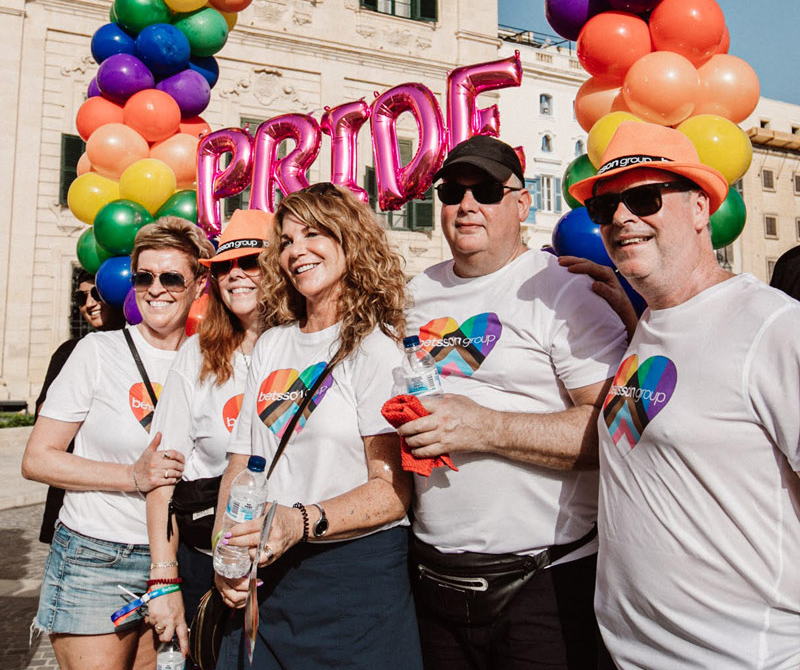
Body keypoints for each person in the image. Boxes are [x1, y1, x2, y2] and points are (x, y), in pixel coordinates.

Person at [568, 121, 800, 670]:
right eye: (605, 209)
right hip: (628, 655)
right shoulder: (650, 325)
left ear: (701, 208)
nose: (622, 218)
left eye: (645, 198)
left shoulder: (774, 328)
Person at [396, 134, 628, 670]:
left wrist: (487, 428)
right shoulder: (413, 294)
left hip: (541, 585)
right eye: (453, 191)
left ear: (522, 204)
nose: (467, 204)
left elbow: (613, 431)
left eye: (488, 192)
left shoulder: (564, 289)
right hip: (433, 578)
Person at [213, 183, 423, 670]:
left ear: (349, 240)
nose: (295, 251)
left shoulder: (376, 349)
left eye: (313, 234)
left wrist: (297, 521)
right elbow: (241, 462)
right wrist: (228, 550)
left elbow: (392, 491)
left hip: (352, 585)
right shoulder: (272, 344)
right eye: (285, 241)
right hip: (268, 580)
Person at [22, 217, 213, 670]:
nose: (156, 289)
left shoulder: (212, 359)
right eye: (144, 277)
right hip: (96, 554)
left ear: (199, 283)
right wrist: (131, 476)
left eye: (171, 277)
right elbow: (37, 459)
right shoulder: (97, 353)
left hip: (177, 561)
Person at [144, 209, 274, 653]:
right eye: (223, 268)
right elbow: (163, 472)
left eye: (250, 262)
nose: (235, 275)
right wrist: (164, 578)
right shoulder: (197, 354)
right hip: (208, 564)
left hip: (293, 564)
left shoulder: (307, 344)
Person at [35, 272, 125, 545]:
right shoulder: (71, 351)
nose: (89, 303)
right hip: (74, 496)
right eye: (80, 297)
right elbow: (46, 417)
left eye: (97, 294)